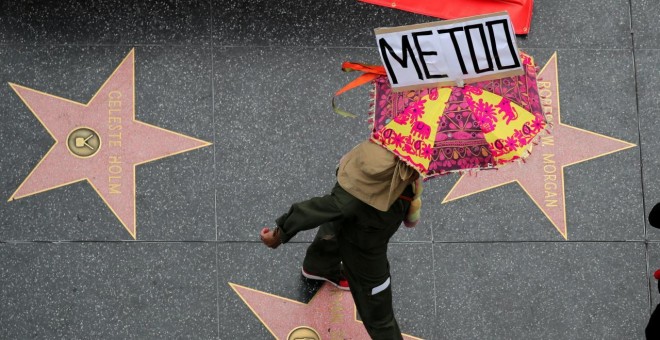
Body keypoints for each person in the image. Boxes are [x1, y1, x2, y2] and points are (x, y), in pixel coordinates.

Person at [260, 139, 421, 339]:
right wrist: (279, 234)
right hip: (366, 247)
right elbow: (319, 209)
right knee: (378, 311)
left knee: (336, 226)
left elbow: (334, 207)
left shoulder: (379, 147)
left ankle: (319, 266)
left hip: (354, 219)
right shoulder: (382, 183)